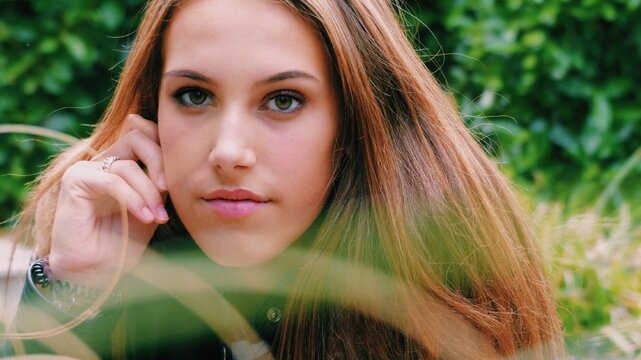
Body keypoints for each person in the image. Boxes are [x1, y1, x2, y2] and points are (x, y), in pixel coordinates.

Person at [2, 0, 565, 358]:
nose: (228, 152)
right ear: (154, 109)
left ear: (357, 118)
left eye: (284, 100)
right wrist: (75, 286)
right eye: (193, 96)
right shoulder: (135, 257)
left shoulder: (441, 280)